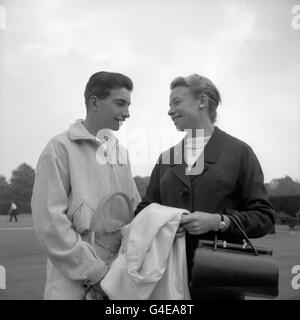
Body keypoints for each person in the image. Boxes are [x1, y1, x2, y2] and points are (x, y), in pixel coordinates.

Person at [135, 74, 275, 300]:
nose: (169, 111)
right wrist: (167, 222)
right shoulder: (166, 159)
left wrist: (220, 221)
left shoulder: (240, 152)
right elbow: (143, 210)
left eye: (176, 102)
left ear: (202, 101)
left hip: (220, 280)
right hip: (167, 281)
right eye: (169, 104)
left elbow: (264, 217)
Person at [31, 71, 141, 300]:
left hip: (118, 282)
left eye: (128, 105)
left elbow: (135, 213)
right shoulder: (59, 148)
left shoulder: (122, 154)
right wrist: (96, 274)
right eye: (120, 103)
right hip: (71, 288)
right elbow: (50, 225)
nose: (127, 113)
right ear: (94, 101)